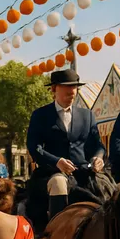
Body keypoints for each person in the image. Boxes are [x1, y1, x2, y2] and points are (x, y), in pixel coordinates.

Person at [25, 68, 106, 225]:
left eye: (75, 87)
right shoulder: (40, 115)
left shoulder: (87, 115)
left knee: (112, 191)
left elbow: (98, 145)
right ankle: (54, 233)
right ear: (54, 89)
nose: (72, 91)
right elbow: (34, 146)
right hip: (51, 173)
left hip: (84, 173)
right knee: (59, 184)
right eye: (67, 87)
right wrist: (56, 162)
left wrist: (99, 157)